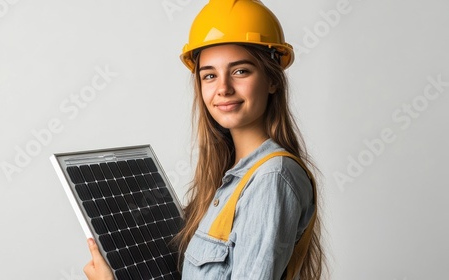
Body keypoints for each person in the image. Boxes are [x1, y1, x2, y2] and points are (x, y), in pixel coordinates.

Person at [84, 0, 325, 279]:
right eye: (209, 75)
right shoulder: (226, 182)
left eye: (240, 71)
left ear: (272, 81)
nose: (223, 88)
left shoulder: (272, 177)